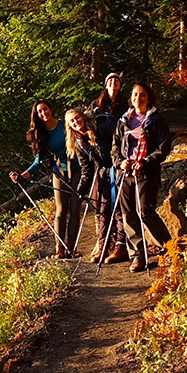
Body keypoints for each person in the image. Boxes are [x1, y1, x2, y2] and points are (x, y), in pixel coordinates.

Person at [108, 81, 172, 272]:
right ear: (131, 98)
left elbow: (163, 148)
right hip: (126, 172)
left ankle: (169, 249)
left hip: (147, 172)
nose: (138, 98)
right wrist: (121, 162)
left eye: (143, 95)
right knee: (128, 215)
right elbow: (114, 148)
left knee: (145, 211)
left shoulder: (156, 120)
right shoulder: (124, 120)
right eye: (135, 94)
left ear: (149, 98)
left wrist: (144, 162)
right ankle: (137, 256)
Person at [9, 100, 82, 258]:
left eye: (45, 109)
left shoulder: (65, 124)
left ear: (51, 109)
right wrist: (22, 176)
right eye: (40, 112)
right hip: (59, 171)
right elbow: (38, 162)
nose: (43, 113)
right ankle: (60, 248)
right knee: (61, 210)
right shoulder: (42, 135)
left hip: (78, 168)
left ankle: (72, 246)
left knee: (75, 208)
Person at [87, 73, 127, 263]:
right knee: (102, 202)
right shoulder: (96, 104)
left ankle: (121, 244)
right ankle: (103, 243)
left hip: (119, 155)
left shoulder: (125, 104)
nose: (113, 83)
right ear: (105, 84)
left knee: (118, 202)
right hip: (102, 157)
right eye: (110, 80)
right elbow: (86, 124)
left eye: (116, 81)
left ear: (120, 85)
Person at [63, 107, 95, 255]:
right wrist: (81, 189)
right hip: (97, 173)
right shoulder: (77, 142)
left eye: (77, 118)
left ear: (83, 117)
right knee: (99, 206)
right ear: (69, 125)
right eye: (72, 121)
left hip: (110, 168)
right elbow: (86, 168)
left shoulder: (95, 129)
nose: (76, 122)